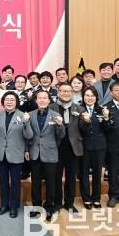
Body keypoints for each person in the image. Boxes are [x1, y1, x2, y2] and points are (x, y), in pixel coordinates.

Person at [0, 91, 33, 218]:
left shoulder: (23, 115)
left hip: (16, 153)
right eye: (7, 100)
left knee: (15, 182)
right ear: (3, 102)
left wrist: (26, 122)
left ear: (17, 102)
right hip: (1, 153)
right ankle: (4, 204)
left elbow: (28, 136)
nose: (9, 102)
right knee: (3, 181)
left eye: (12, 100)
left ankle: (14, 206)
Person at [27, 90, 65, 222]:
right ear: (36, 100)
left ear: (49, 100)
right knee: (35, 182)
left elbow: (61, 135)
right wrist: (26, 150)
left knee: (51, 182)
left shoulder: (56, 115)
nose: (42, 100)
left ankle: (49, 207)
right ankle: (36, 207)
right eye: (40, 98)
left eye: (45, 98)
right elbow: (27, 135)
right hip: (34, 153)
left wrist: (60, 125)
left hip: (50, 153)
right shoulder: (30, 115)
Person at [49, 82, 85, 213]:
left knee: (71, 177)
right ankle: (57, 202)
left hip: (73, 148)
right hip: (56, 147)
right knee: (56, 177)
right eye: (63, 91)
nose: (65, 93)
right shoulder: (51, 108)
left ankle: (69, 203)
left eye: (68, 91)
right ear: (58, 93)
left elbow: (84, 130)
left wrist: (86, 122)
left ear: (72, 93)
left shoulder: (80, 109)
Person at [78, 86, 108, 209]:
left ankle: (96, 198)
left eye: (92, 96)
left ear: (96, 98)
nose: (90, 98)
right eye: (87, 95)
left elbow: (107, 129)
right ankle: (86, 198)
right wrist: (86, 121)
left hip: (99, 146)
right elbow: (80, 129)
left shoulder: (102, 110)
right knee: (84, 174)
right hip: (84, 146)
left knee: (97, 173)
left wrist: (106, 117)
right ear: (83, 97)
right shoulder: (78, 110)